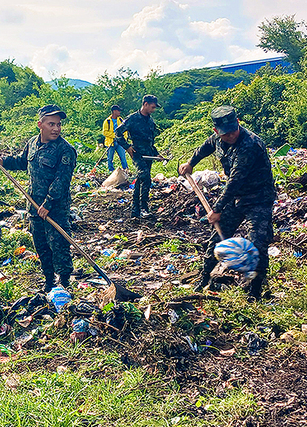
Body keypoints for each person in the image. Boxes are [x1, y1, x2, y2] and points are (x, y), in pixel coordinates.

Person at [178, 105, 276, 301]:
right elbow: (205, 147)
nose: (231, 136)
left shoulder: (250, 144)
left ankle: (255, 291)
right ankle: (203, 279)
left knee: (258, 242)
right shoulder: (217, 138)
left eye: (233, 131)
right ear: (216, 131)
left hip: (258, 198)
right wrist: (190, 163)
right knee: (216, 239)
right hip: (236, 197)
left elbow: (235, 181)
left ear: (238, 123)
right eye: (225, 134)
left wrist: (217, 209)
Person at [0, 104, 77, 292]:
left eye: (59, 125)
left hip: (55, 208)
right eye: (51, 124)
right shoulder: (32, 143)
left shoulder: (65, 150)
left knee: (59, 244)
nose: (56, 129)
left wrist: (48, 203)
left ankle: (64, 283)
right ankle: (48, 281)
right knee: (41, 245)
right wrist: (3, 161)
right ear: (41, 124)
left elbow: (62, 180)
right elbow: (22, 162)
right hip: (33, 205)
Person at [114, 94, 161, 218]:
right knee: (145, 177)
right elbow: (117, 133)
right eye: (152, 107)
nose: (153, 110)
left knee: (140, 179)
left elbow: (150, 140)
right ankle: (144, 207)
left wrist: (157, 154)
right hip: (137, 153)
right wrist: (127, 147)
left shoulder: (150, 121)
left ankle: (136, 210)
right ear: (145, 104)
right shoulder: (132, 118)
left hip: (149, 154)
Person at [102, 105, 128, 173]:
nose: (119, 112)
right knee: (110, 158)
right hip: (111, 142)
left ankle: (126, 170)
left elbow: (125, 130)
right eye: (118, 111)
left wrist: (123, 138)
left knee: (123, 157)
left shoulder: (121, 120)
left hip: (120, 142)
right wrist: (114, 136)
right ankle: (111, 171)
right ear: (114, 111)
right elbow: (105, 132)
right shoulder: (107, 121)